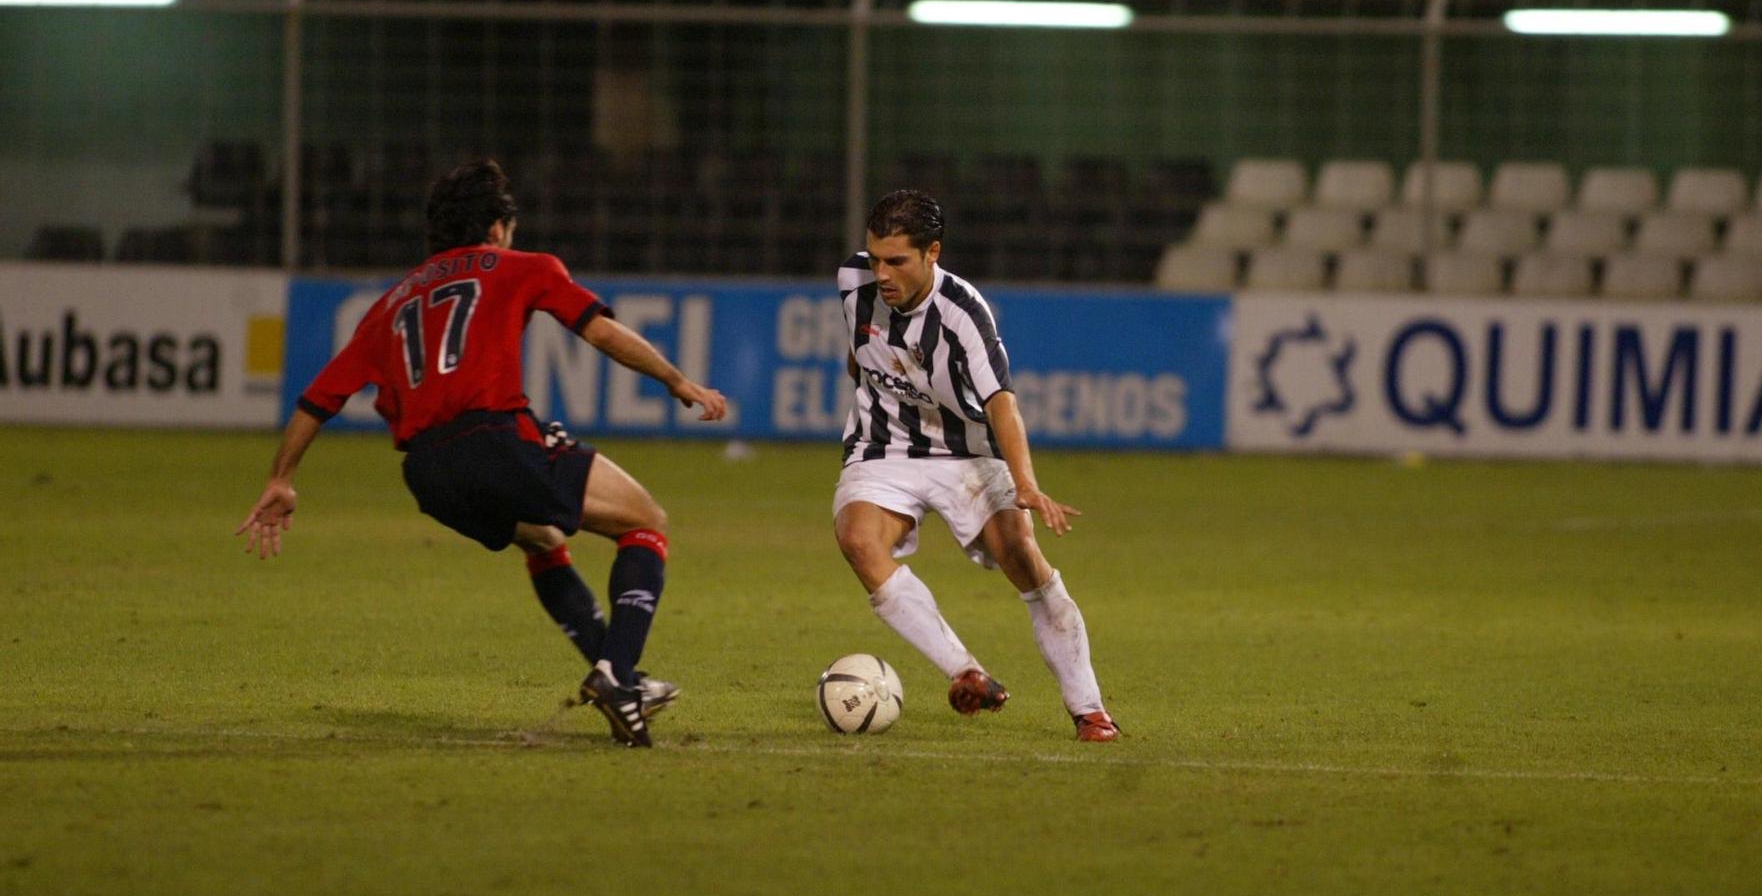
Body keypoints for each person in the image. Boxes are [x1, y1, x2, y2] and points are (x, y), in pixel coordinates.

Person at [235, 159, 727, 748]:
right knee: (646, 523)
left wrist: (282, 478)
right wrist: (678, 382)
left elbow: (318, 399)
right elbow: (600, 331)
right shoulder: (522, 267)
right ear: (497, 228)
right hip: (494, 442)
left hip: (428, 473)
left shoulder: (390, 303)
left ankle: (616, 674)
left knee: (542, 540)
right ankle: (619, 675)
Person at [832, 189, 1119, 742]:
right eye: (875, 258)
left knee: (1023, 559)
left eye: (898, 261)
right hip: (884, 448)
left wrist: (1027, 485)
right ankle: (966, 671)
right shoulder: (853, 282)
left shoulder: (963, 314)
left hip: (968, 453)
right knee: (858, 540)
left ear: (932, 252)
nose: (882, 273)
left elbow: (1001, 403)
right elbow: (857, 348)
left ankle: (1090, 711)